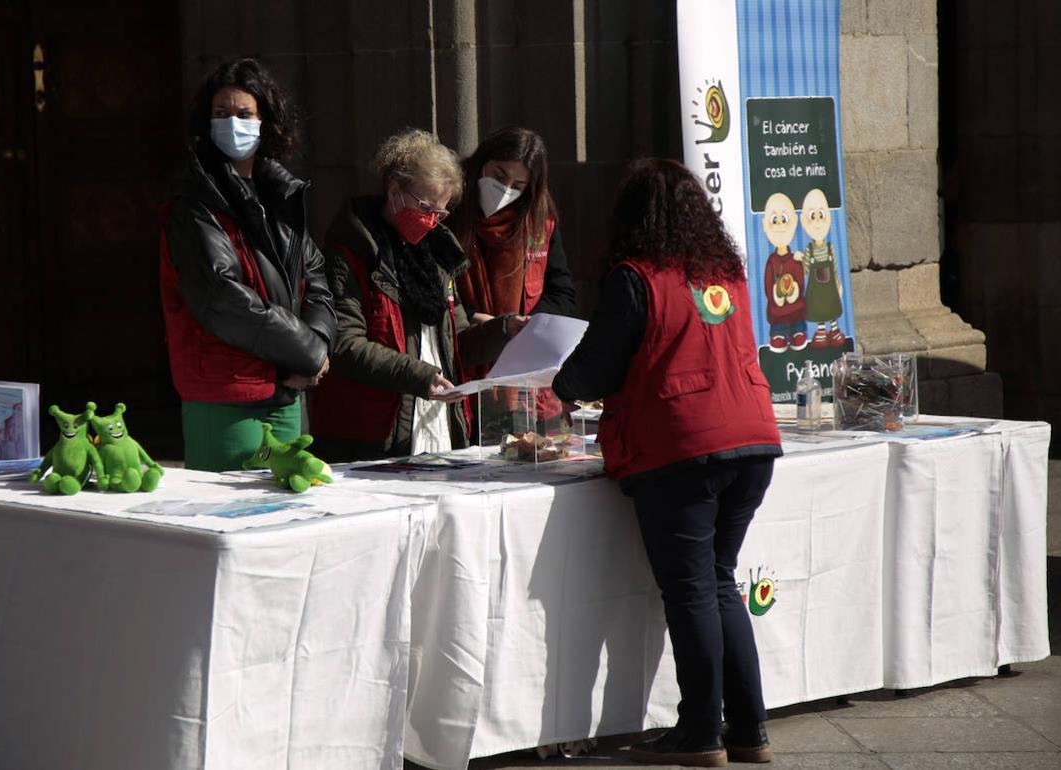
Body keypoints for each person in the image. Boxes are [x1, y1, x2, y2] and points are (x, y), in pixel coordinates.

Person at [553, 158, 782, 767]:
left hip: (684, 446)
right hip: (754, 439)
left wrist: (562, 384)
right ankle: (749, 729)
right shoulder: (725, 274)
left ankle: (702, 732)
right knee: (717, 582)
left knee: (692, 591)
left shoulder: (637, 277)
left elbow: (591, 370)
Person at [159, 59, 335, 471]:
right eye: (221, 114)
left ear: (266, 122)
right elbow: (222, 296)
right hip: (227, 391)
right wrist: (307, 351)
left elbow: (316, 280)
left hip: (286, 386)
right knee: (234, 513)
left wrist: (319, 347)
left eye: (244, 114)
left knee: (290, 510)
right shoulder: (193, 202)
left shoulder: (279, 194)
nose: (233, 123)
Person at [308, 129, 506, 462]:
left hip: (437, 426)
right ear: (395, 190)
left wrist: (504, 331)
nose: (432, 221)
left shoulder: (439, 256)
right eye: (426, 206)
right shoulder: (351, 251)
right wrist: (419, 375)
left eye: (441, 213)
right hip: (373, 435)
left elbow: (455, 342)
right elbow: (345, 344)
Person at [449, 125, 577, 432]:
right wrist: (475, 319)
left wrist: (528, 325)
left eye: (517, 185)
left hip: (524, 378)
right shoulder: (451, 212)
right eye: (498, 176)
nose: (505, 189)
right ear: (482, 162)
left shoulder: (539, 220)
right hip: (463, 367)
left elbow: (562, 292)